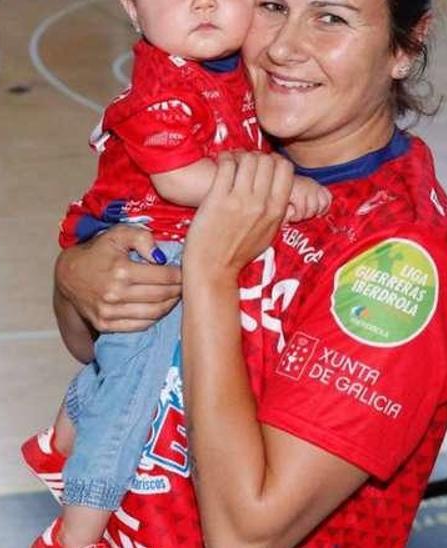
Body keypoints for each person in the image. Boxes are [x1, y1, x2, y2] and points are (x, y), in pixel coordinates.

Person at [40, 0, 447, 546]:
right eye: (271, 6)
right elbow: (96, 342)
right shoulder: (233, 144)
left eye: (331, 17)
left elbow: (248, 535)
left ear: (405, 47)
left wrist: (211, 272)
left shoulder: (398, 259)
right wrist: (75, 279)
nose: (283, 48)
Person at [25, 0, 332, 544]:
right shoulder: (162, 83)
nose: (204, 3)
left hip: (170, 239)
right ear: (133, 9)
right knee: (134, 398)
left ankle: (70, 425)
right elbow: (178, 181)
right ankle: (76, 528)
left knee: (137, 374)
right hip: (150, 238)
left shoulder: (243, 69)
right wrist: (282, 188)